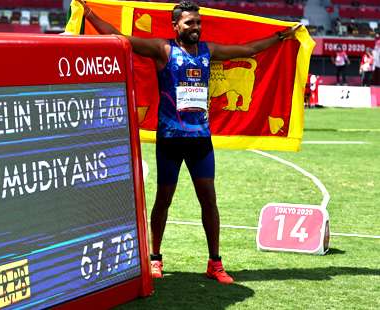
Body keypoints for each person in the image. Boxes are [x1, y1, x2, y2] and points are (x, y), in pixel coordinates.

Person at [75, 0, 299, 284]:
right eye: (190, 23)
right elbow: (119, 38)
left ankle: (215, 263)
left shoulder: (209, 51)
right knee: (163, 200)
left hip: (200, 141)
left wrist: (280, 37)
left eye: (198, 22)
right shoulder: (162, 50)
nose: (196, 27)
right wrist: (90, 13)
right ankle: (155, 259)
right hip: (170, 139)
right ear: (176, 26)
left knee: (209, 200)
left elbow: (249, 50)